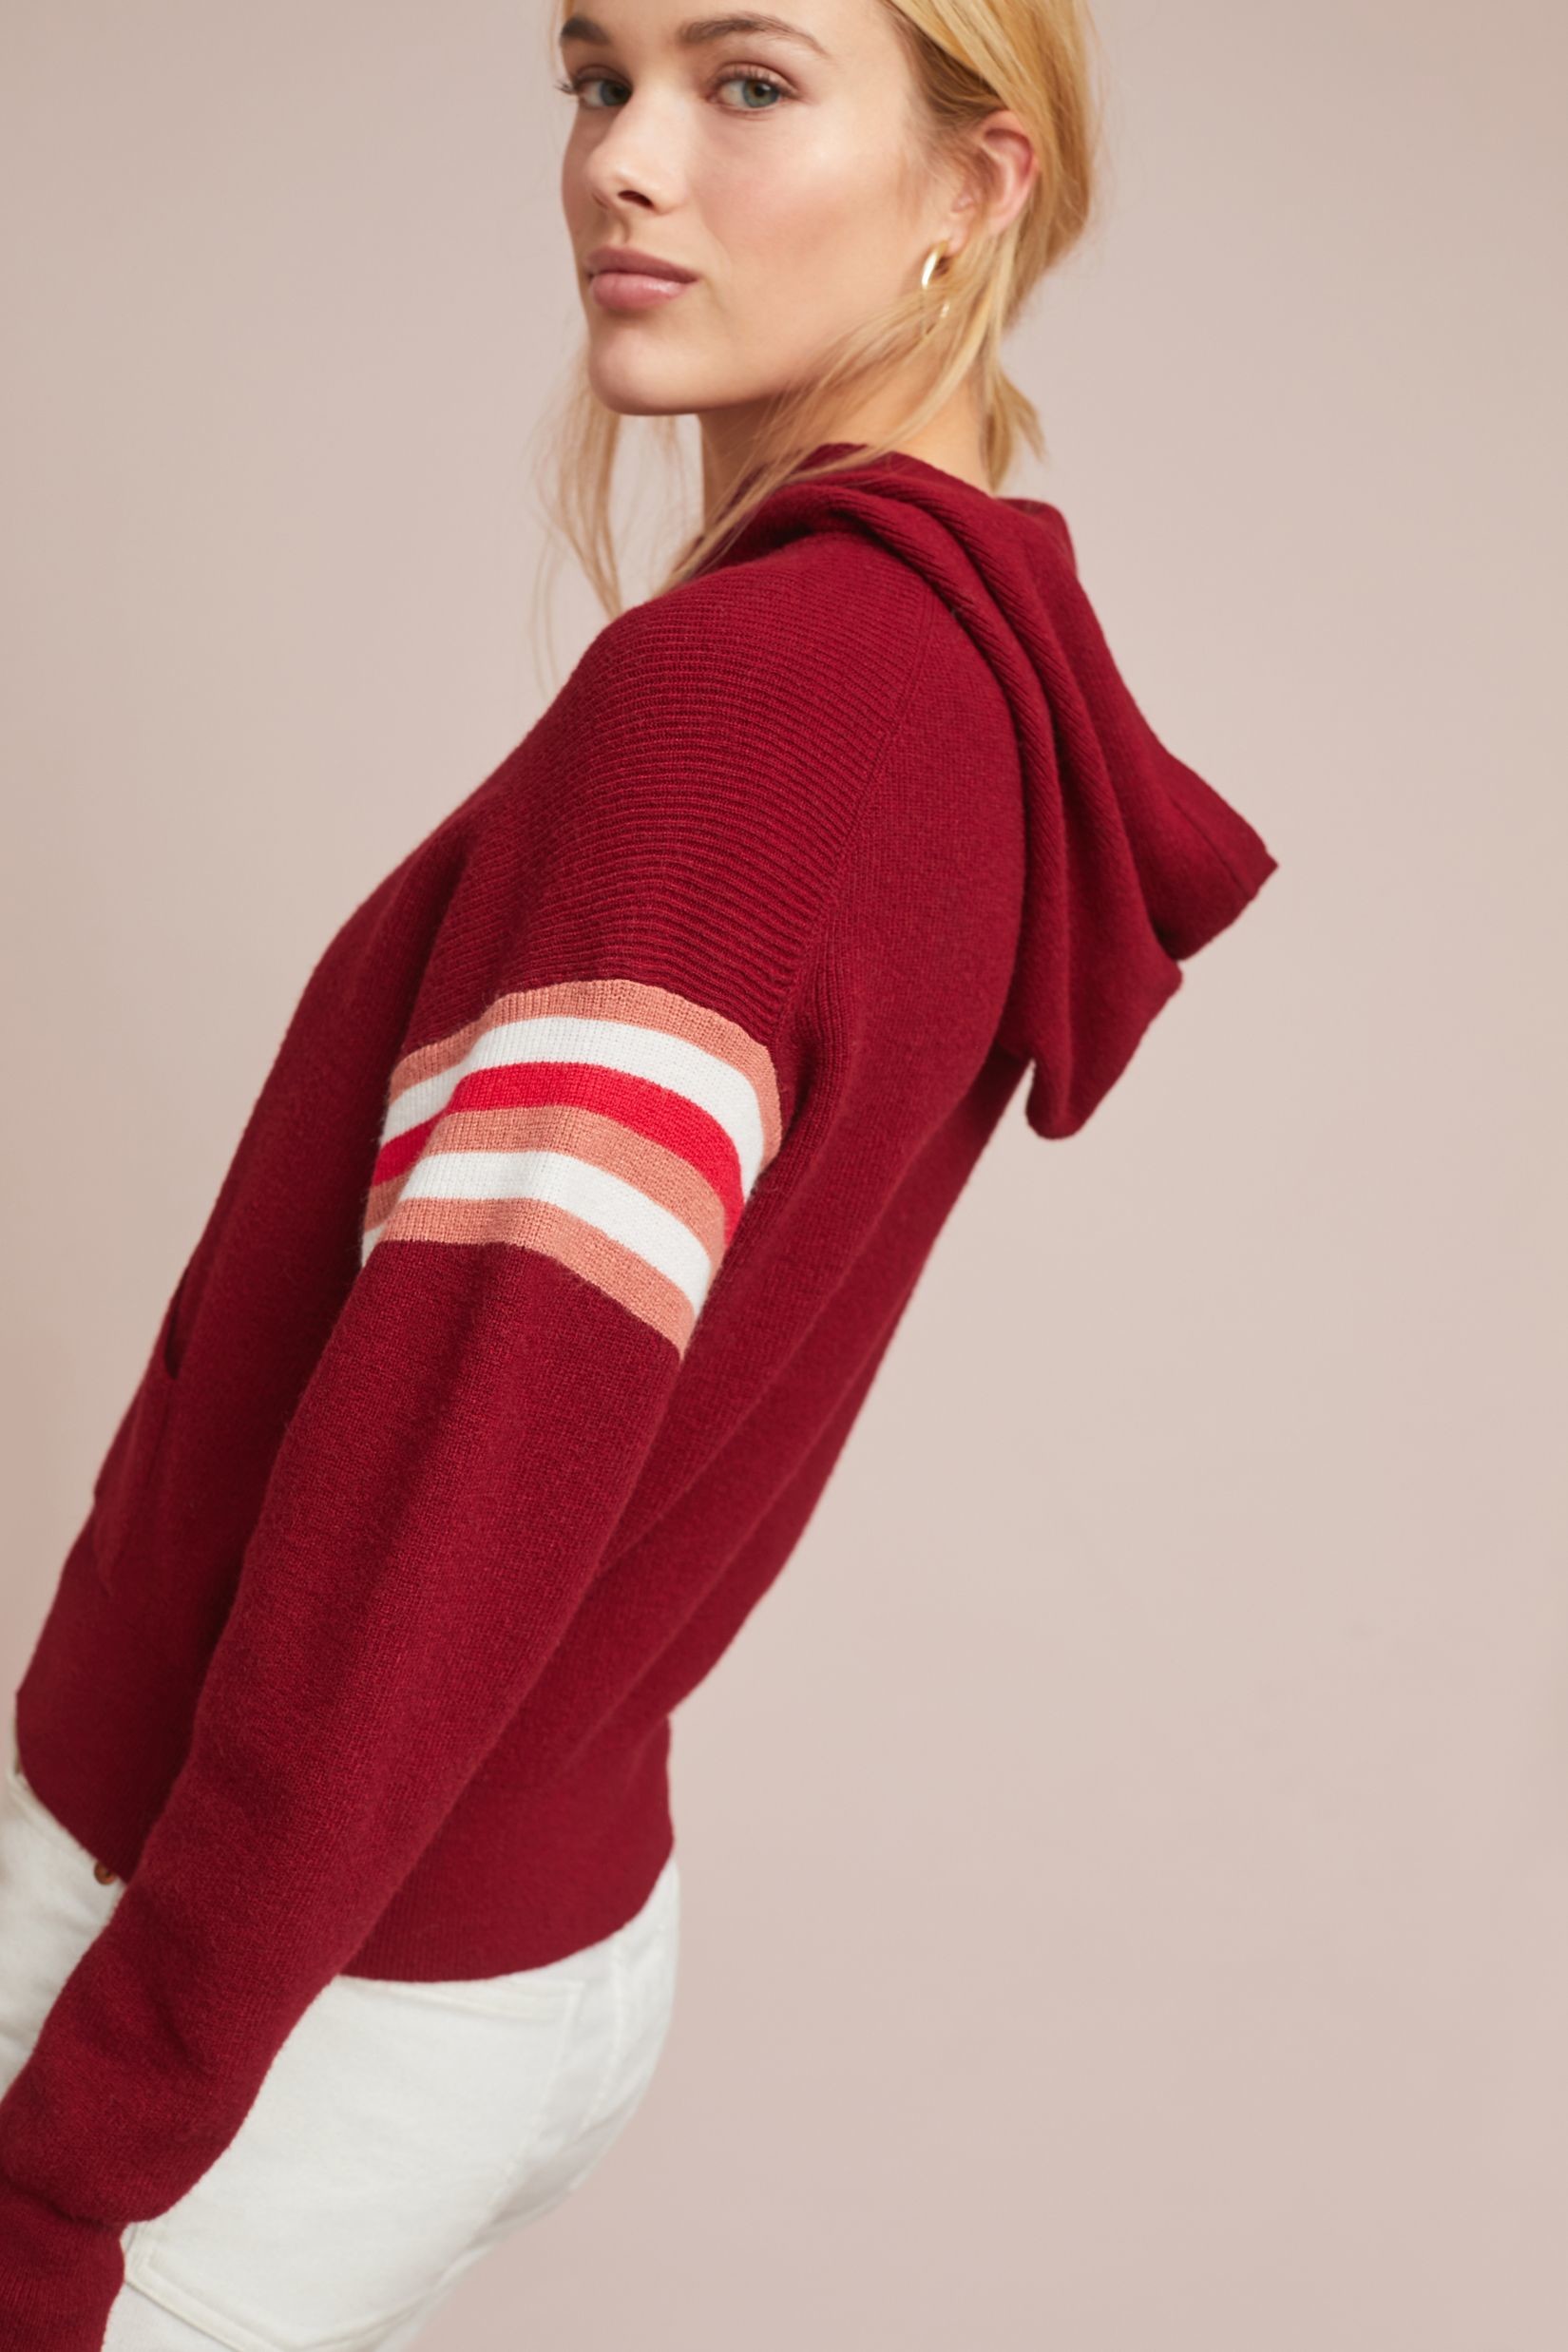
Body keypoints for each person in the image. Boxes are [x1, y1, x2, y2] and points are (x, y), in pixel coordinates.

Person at [0, 0, 1279, 2343]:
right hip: (513, 1923)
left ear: (976, 182)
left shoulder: (745, 707)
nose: (624, 158)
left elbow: (452, 1490)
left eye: (747, 82)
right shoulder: (946, 670)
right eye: (598, 80)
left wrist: (74, 2165)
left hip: (255, 1979)